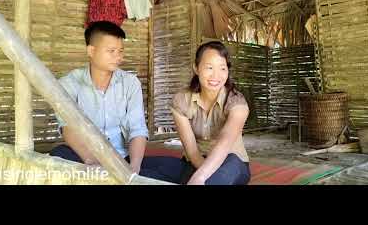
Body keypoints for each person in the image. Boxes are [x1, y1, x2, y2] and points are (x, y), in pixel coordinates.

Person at [49, 21, 151, 176]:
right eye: (111, 51)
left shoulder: (130, 83)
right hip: (84, 155)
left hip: (122, 157)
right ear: (91, 51)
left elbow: (137, 129)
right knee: (58, 157)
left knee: (172, 168)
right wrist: (91, 161)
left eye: (120, 51)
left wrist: (134, 169)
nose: (118, 57)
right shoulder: (69, 84)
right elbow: (67, 127)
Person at [142, 41, 251, 185]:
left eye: (222, 68)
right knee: (132, 166)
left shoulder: (237, 102)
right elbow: (192, 150)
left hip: (231, 163)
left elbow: (224, 143)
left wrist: (201, 177)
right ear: (196, 68)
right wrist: (201, 174)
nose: (216, 75)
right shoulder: (182, 100)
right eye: (209, 67)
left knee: (219, 176)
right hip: (194, 161)